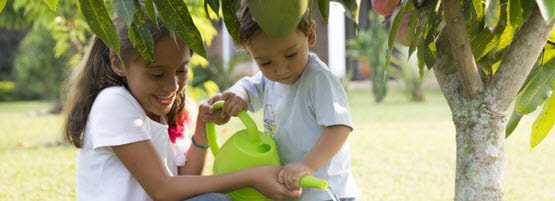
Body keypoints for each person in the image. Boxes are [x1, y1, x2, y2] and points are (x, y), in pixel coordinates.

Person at [62, 7, 301, 201]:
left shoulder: (158, 109)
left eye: (182, 70)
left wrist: (202, 130)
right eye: (157, 74)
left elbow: (184, 180)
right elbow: (164, 190)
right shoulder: (114, 103)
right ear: (118, 63)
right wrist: (250, 177)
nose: (173, 86)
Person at [211, 2, 359, 201]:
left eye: (290, 55)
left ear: (311, 35)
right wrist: (238, 94)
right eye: (265, 62)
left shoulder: (318, 79)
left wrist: (307, 165)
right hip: (293, 191)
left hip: (326, 193)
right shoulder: (269, 80)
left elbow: (339, 128)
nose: (281, 70)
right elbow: (248, 86)